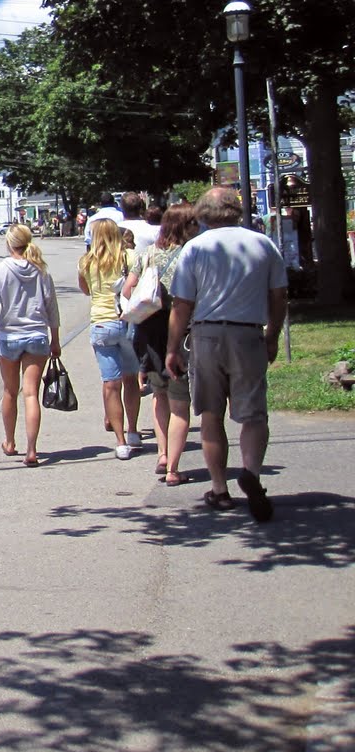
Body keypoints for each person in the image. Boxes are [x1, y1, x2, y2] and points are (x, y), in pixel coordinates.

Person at [165, 186, 288, 521]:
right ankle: (251, 472)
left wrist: (173, 348)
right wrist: (272, 335)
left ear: (203, 214)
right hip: (248, 334)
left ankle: (220, 489)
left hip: (206, 334)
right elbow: (279, 295)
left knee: (211, 414)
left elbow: (181, 304)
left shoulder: (195, 248)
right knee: (253, 414)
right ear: (238, 210)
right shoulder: (263, 244)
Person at [123, 203, 199, 486]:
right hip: (181, 332)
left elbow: (129, 289)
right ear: (185, 226)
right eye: (193, 223)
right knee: (180, 401)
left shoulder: (147, 254)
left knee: (159, 394)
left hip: (150, 330)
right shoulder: (190, 255)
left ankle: (163, 453)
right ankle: (174, 469)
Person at [0, 224, 61, 466]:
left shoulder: (0, 270)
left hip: (9, 337)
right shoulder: (41, 270)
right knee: (31, 392)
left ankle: (10, 442)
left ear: (9, 244)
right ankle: (32, 450)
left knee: (10, 391)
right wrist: (55, 338)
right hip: (37, 336)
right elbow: (51, 307)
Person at [79, 218, 141, 458]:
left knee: (110, 384)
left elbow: (86, 290)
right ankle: (134, 430)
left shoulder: (86, 262)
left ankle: (120, 441)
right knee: (131, 380)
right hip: (127, 322)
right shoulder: (130, 258)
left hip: (102, 323)